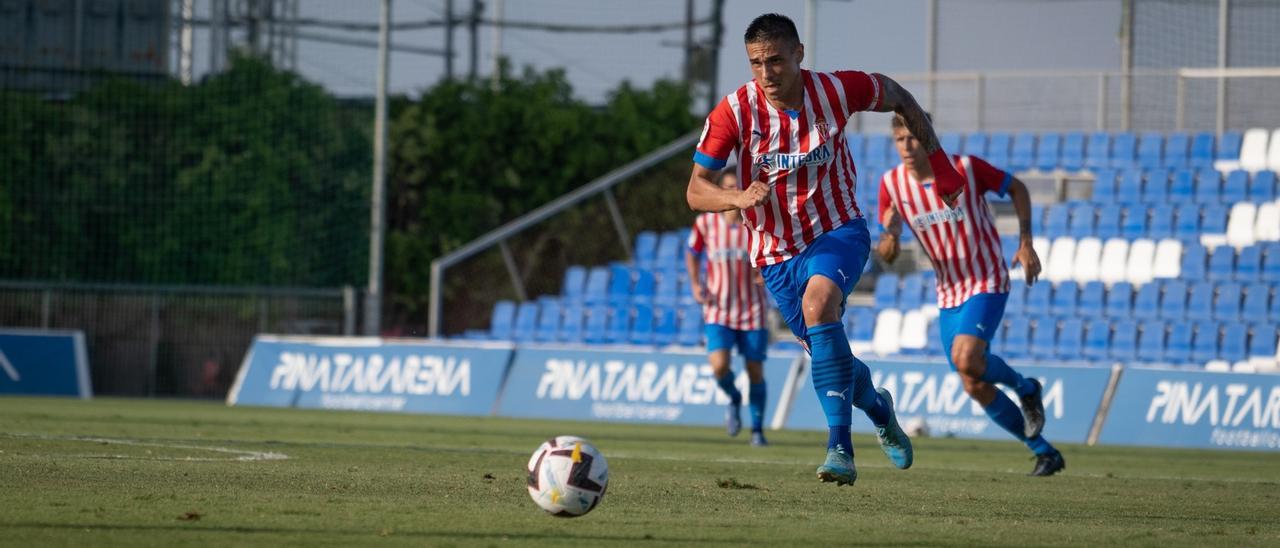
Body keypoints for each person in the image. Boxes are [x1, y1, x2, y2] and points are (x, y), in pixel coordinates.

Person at [686, 13, 965, 485]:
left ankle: (840, 449)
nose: (766, 72)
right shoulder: (734, 112)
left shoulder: (838, 90)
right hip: (774, 253)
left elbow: (900, 96)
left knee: (820, 307)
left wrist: (938, 162)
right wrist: (736, 197)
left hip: (837, 230)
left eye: (775, 60)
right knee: (827, 354)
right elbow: (695, 191)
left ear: (799, 53)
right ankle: (880, 411)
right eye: (756, 63)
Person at [876, 112, 1067, 476]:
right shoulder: (891, 185)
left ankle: (1026, 387)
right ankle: (1044, 451)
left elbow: (1018, 188)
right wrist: (890, 237)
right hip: (948, 292)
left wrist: (1026, 242)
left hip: (986, 279)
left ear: (929, 138)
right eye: (901, 139)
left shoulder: (964, 168)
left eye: (915, 137)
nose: (908, 146)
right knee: (973, 382)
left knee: (967, 359)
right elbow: (886, 256)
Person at [686, 171, 771, 447]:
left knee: (755, 370)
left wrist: (765, 272)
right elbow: (692, 252)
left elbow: (773, 250)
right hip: (718, 309)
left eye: (737, 187)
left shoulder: (755, 223)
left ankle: (757, 430)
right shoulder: (706, 224)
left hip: (752, 309)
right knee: (720, 366)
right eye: (728, 188)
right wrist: (695, 285)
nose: (734, 192)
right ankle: (734, 397)